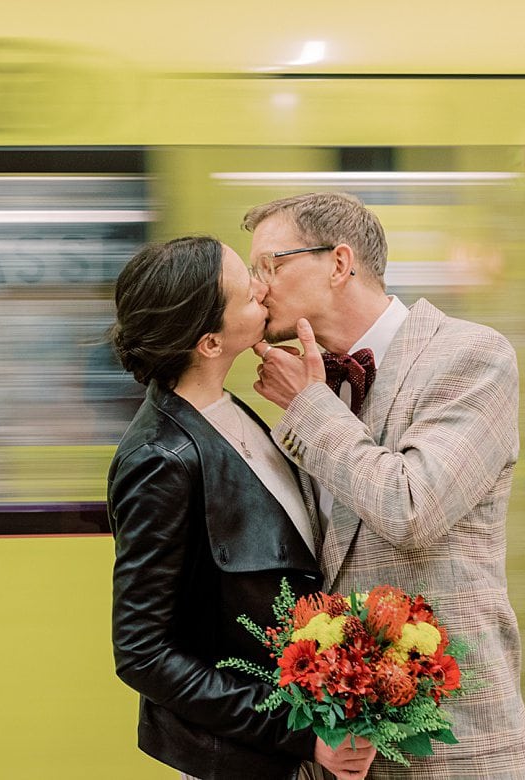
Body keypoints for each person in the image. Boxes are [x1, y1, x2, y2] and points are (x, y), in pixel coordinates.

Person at [245, 193, 525, 779]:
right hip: (340, 748)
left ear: (338, 263)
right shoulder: (312, 382)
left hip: (455, 743)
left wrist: (309, 407)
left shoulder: (472, 357)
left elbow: (412, 507)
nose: (257, 289)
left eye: (270, 266)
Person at [107, 235, 378, 780]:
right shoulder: (162, 458)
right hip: (234, 763)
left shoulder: (226, 410)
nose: (264, 287)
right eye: (246, 289)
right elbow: (141, 652)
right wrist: (302, 730)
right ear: (210, 343)